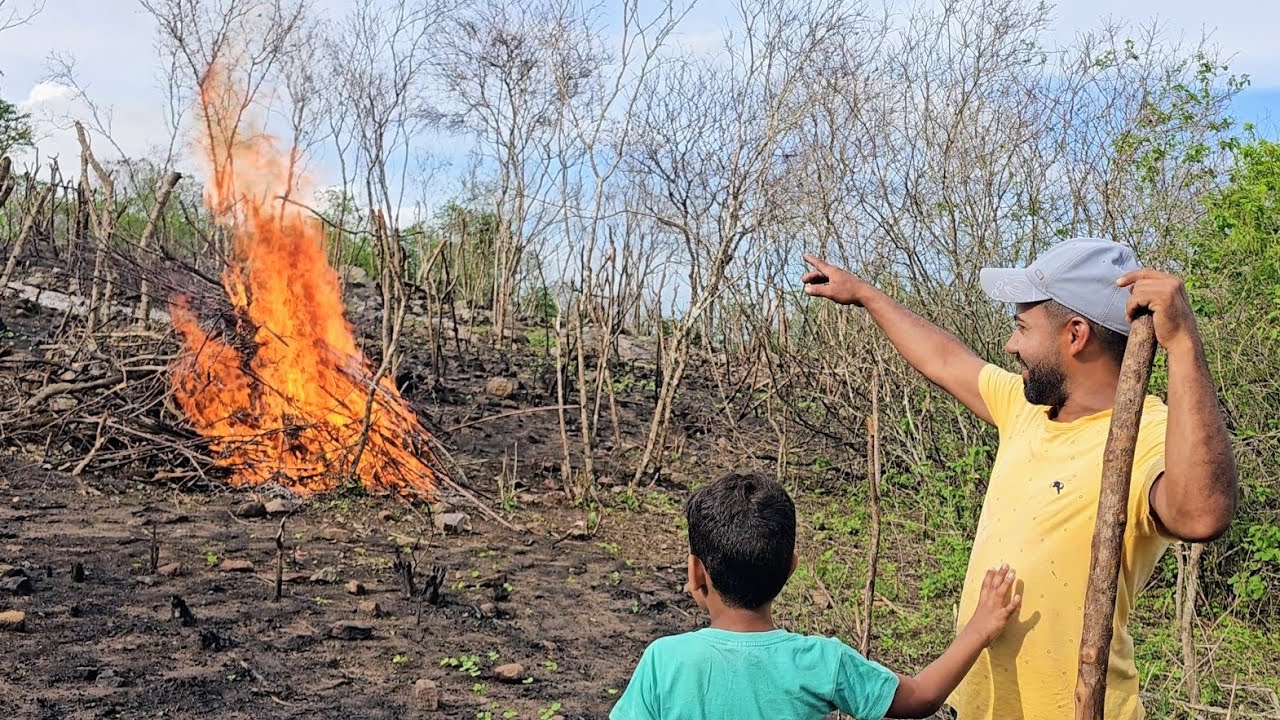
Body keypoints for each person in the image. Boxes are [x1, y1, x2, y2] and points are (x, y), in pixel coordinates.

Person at [801, 237, 1238, 719]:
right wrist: (865, 294)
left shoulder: (1144, 434)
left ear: (1075, 335)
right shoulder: (1028, 410)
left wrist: (1182, 342)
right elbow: (945, 360)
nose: (1010, 345)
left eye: (1021, 327)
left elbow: (1200, 515)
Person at [611, 472, 1022, 720]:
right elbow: (921, 697)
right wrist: (978, 631)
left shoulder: (664, 662)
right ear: (791, 567)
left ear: (695, 571)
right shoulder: (822, 661)